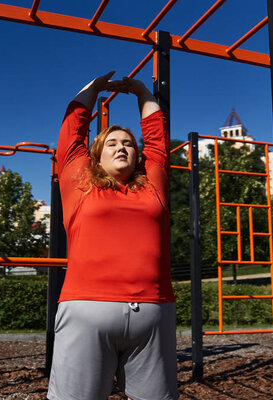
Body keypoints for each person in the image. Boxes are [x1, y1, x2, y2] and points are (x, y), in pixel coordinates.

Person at [47, 71, 178, 400]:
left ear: (138, 155)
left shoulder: (153, 186)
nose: (122, 147)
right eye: (113, 143)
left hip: (152, 312)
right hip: (87, 311)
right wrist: (92, 89)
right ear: (96, 156)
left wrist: (141, 91)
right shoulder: (80, 183)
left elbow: (158, 139)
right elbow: (72, 133)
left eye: (129, 144)